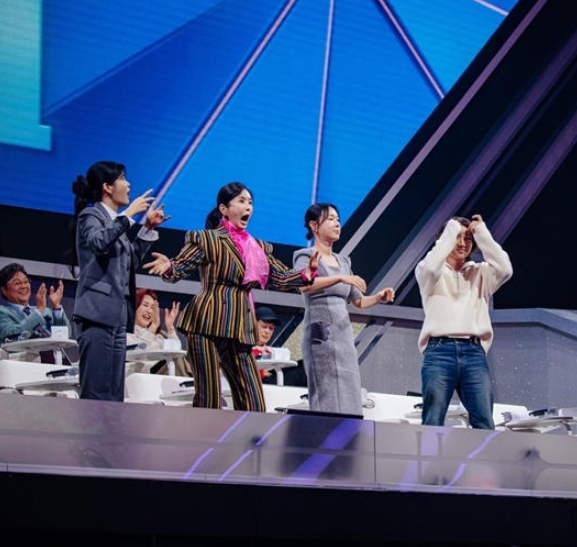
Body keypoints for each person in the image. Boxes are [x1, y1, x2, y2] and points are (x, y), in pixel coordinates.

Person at [143, 182, 318, 412]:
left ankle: (249, 437)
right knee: (209, 398)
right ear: (224, 209)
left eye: (250, 202)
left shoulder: (258, 247)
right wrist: (168, 266)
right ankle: (204, 436)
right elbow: (179, 268)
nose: (248, 207)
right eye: (241, 201)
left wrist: (305, 274)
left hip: (240, 326)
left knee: (253, 401)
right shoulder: (207, 239)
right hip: (207, 323)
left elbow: (280, 278)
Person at [70, 160, 168, 402]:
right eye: (123, 179)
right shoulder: (91, 215)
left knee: (114, 395)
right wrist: (129, 215)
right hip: (96, 314)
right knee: (95, 391)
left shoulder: (117, 224)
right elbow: (98, 242)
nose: (129, 184)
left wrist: (147, 229)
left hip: (118, 316)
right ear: (107, 187)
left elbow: (130, 260)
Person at [293, 203, 395, 416]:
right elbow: (304, 285)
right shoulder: (304, 255)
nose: (337, 223)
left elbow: (358, 301)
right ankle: (324, 435)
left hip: (343, 336)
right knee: (327, 394)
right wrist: (339, 278)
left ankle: (348, 435)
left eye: (338, 219)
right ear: (314, 225)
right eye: (330, 219)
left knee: (349, 391)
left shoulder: (343, 261)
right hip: (321, 335)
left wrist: (379, 297)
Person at [415, 214, 513, 429]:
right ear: (445, 239)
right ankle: (430, 455)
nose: (462, 243)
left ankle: (483, 456)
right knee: (433, 419)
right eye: (456, 237)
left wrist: (482, 233)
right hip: (439, 350)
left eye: (467, 238)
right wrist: (451, 228)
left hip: (473, 352)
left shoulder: (481, 272)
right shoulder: (429, 271)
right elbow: (431, 267)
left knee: (484, 420)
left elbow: (505, 269)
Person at [0, 262, 72, 362]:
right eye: (17, 283)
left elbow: (66, 335)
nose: (23, 286)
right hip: (25, 364)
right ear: (4, 290)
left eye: (26, 282)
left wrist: (56, 307)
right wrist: (39, 311)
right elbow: (13, 335)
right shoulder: (3, 312)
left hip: (58, 361)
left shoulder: (46, 311)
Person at [126, 288, 192, 376]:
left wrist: (170, 328)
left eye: (152, 307)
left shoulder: (159, 335)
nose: (150, 311)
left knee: (177, 358)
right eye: (145, 305)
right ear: (134, 306)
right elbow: (139, 351)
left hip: (164, 373)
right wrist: (153, 327)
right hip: (142, 374)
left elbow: (177, 352)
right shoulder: (126, 333)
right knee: (175, 360)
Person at [254, 305, 307, 387]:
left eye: (271, 328)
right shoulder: (244, 349)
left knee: (304, 364)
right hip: (261, 383)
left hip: (275, 377)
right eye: (264, 327)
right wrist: (260, 373)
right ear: (253, 325)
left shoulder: (271, 351)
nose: (267, 332)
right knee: (301, 372)